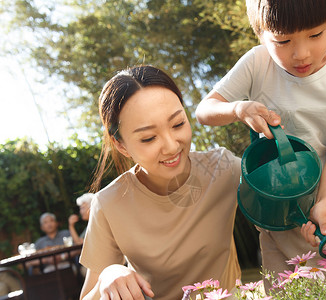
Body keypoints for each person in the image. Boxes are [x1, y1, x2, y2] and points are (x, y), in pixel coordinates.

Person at [195, 0, 326, 279]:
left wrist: (324, 204)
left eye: (315, 35)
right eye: (283, 40)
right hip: (274, 219)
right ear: (261, 35)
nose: (301, 53)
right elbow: (205, 111)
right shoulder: (256, 63)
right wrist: (239, 109)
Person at [79, 65, 242, 300]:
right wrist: (108, 275)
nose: (172, 146)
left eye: (178, 124)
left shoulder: (223, 169)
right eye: (148, 138)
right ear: (121, 145)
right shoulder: (109, 204)